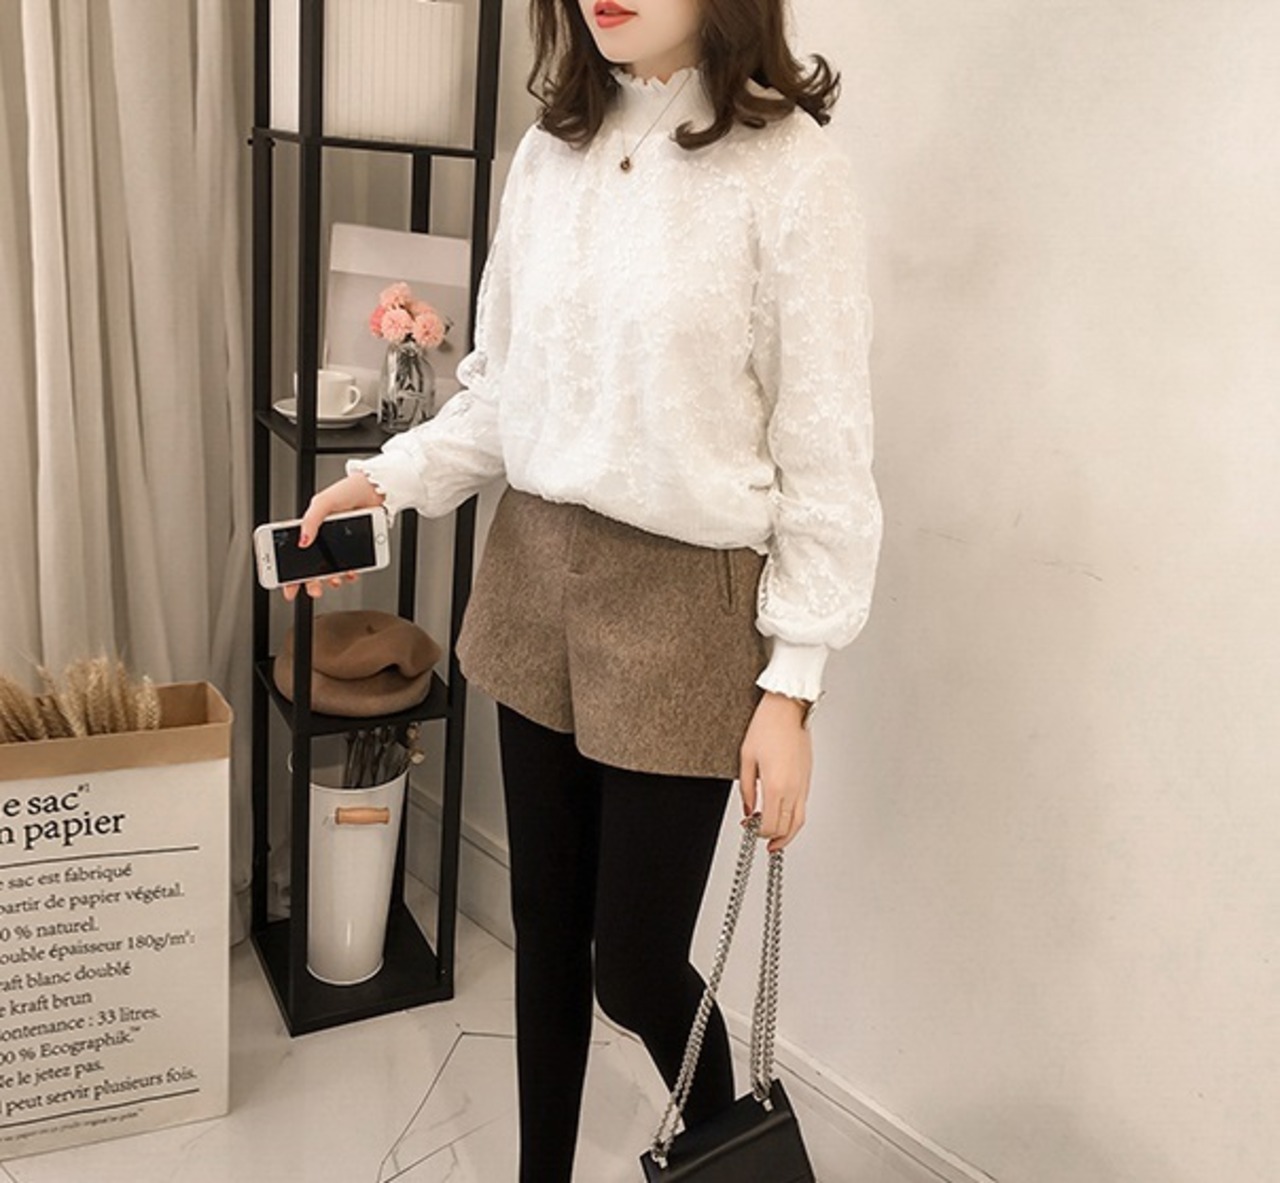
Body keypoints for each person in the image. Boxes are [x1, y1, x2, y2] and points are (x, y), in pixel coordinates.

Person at [282, 1, 882, 1178]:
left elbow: (824, 449)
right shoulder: (547, 153)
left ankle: (735, 1168)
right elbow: (505, 392)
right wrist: (385, 481)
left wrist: (791, 686)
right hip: (533, 574)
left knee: (637, 966)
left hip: (685, 604)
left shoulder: (788, 172)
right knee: (546, 933)